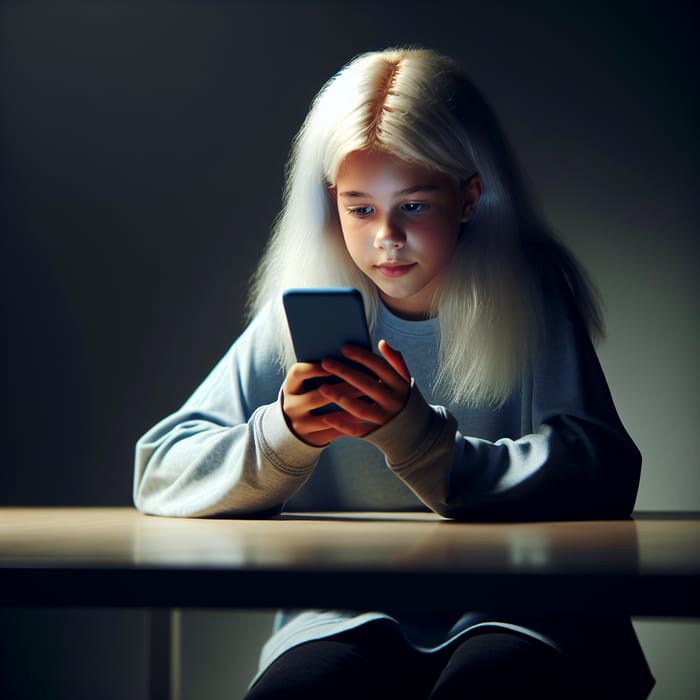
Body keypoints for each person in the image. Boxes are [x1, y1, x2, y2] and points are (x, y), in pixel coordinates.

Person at [134, 47, 654, 698]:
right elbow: (159, 468)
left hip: (520, 610)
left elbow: (603, 468)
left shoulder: (526, 290)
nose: (387, 237)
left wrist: (419, 443)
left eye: (412, 206)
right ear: (332, 203)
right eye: (361, 208)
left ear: (468, 196)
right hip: (343, 613)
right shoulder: (306, 303)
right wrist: (286, 435)